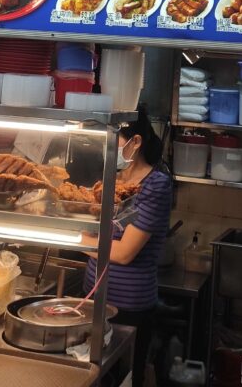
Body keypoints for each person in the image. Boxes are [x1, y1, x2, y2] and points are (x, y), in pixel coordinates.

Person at [83, 107, 172, 387]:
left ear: (135, 142)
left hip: (129, 306)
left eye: (114, 140)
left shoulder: (156, 185)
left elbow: (123, 253)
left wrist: (70, 238)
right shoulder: (110, 178)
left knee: (123, 378)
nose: (107, 148)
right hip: (92, 297)